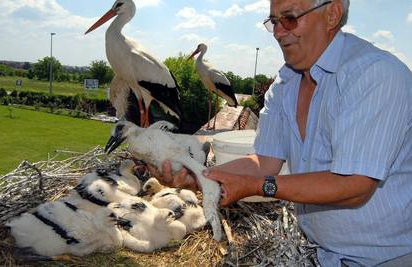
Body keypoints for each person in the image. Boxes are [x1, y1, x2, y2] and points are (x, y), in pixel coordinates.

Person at [149, 0, 412, 266]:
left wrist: (260, 186)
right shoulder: (285, 84)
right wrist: (199, 175)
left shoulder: (375, 75)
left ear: (332, 14)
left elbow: (354, 185)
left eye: (289, 18)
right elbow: (265, 163)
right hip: (321, 254)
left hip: (387, 257)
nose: (277, 32)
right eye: (274, 21)